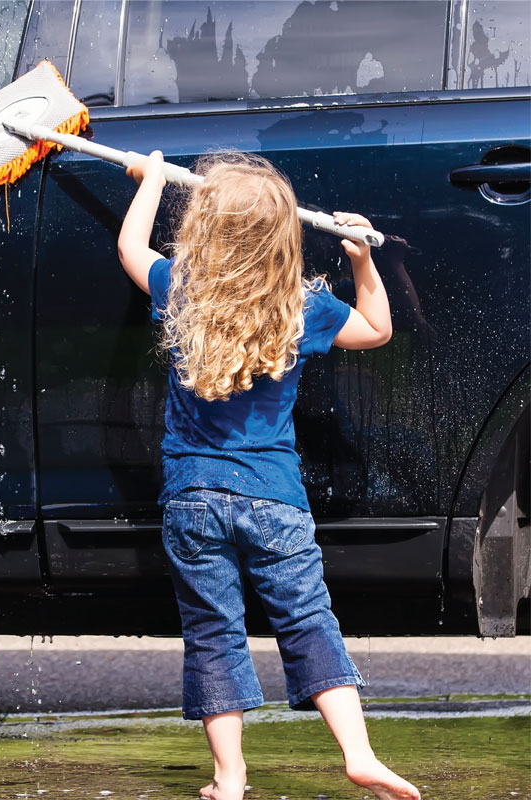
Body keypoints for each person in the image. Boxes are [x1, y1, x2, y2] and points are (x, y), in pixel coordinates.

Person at [117, 151, 420, 800]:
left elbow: (130, 249)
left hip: (194, 501)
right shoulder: (301, 306)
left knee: (212, 632)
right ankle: (360, 753)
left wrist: (150, 181)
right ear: (285, 236)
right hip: (275, 502)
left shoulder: (183, 287)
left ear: (203, 228)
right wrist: (362, 261)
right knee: (309, 619)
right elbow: (376, 329)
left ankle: (230, 777)